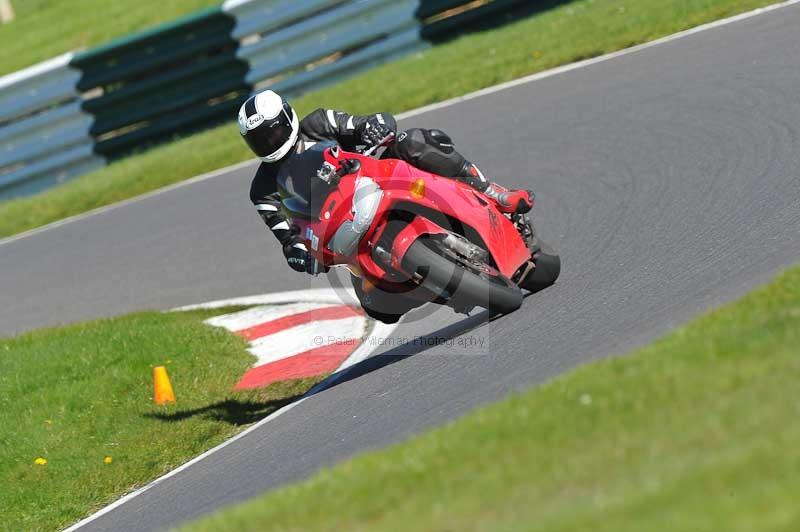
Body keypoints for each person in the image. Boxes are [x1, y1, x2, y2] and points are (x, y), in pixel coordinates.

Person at [239, 90, 533, 321]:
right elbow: (287, 236)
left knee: (414, 142)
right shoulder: (262, 190)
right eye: (259, 140)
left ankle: (493, 192)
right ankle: (440, 284)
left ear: (287, 118)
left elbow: (365, 124)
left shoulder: (318, 123)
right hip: (342, 232)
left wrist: (375, 128)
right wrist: (298, 254)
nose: (269, 142)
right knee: (378, 307)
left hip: (371, 182)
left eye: (272, 133)